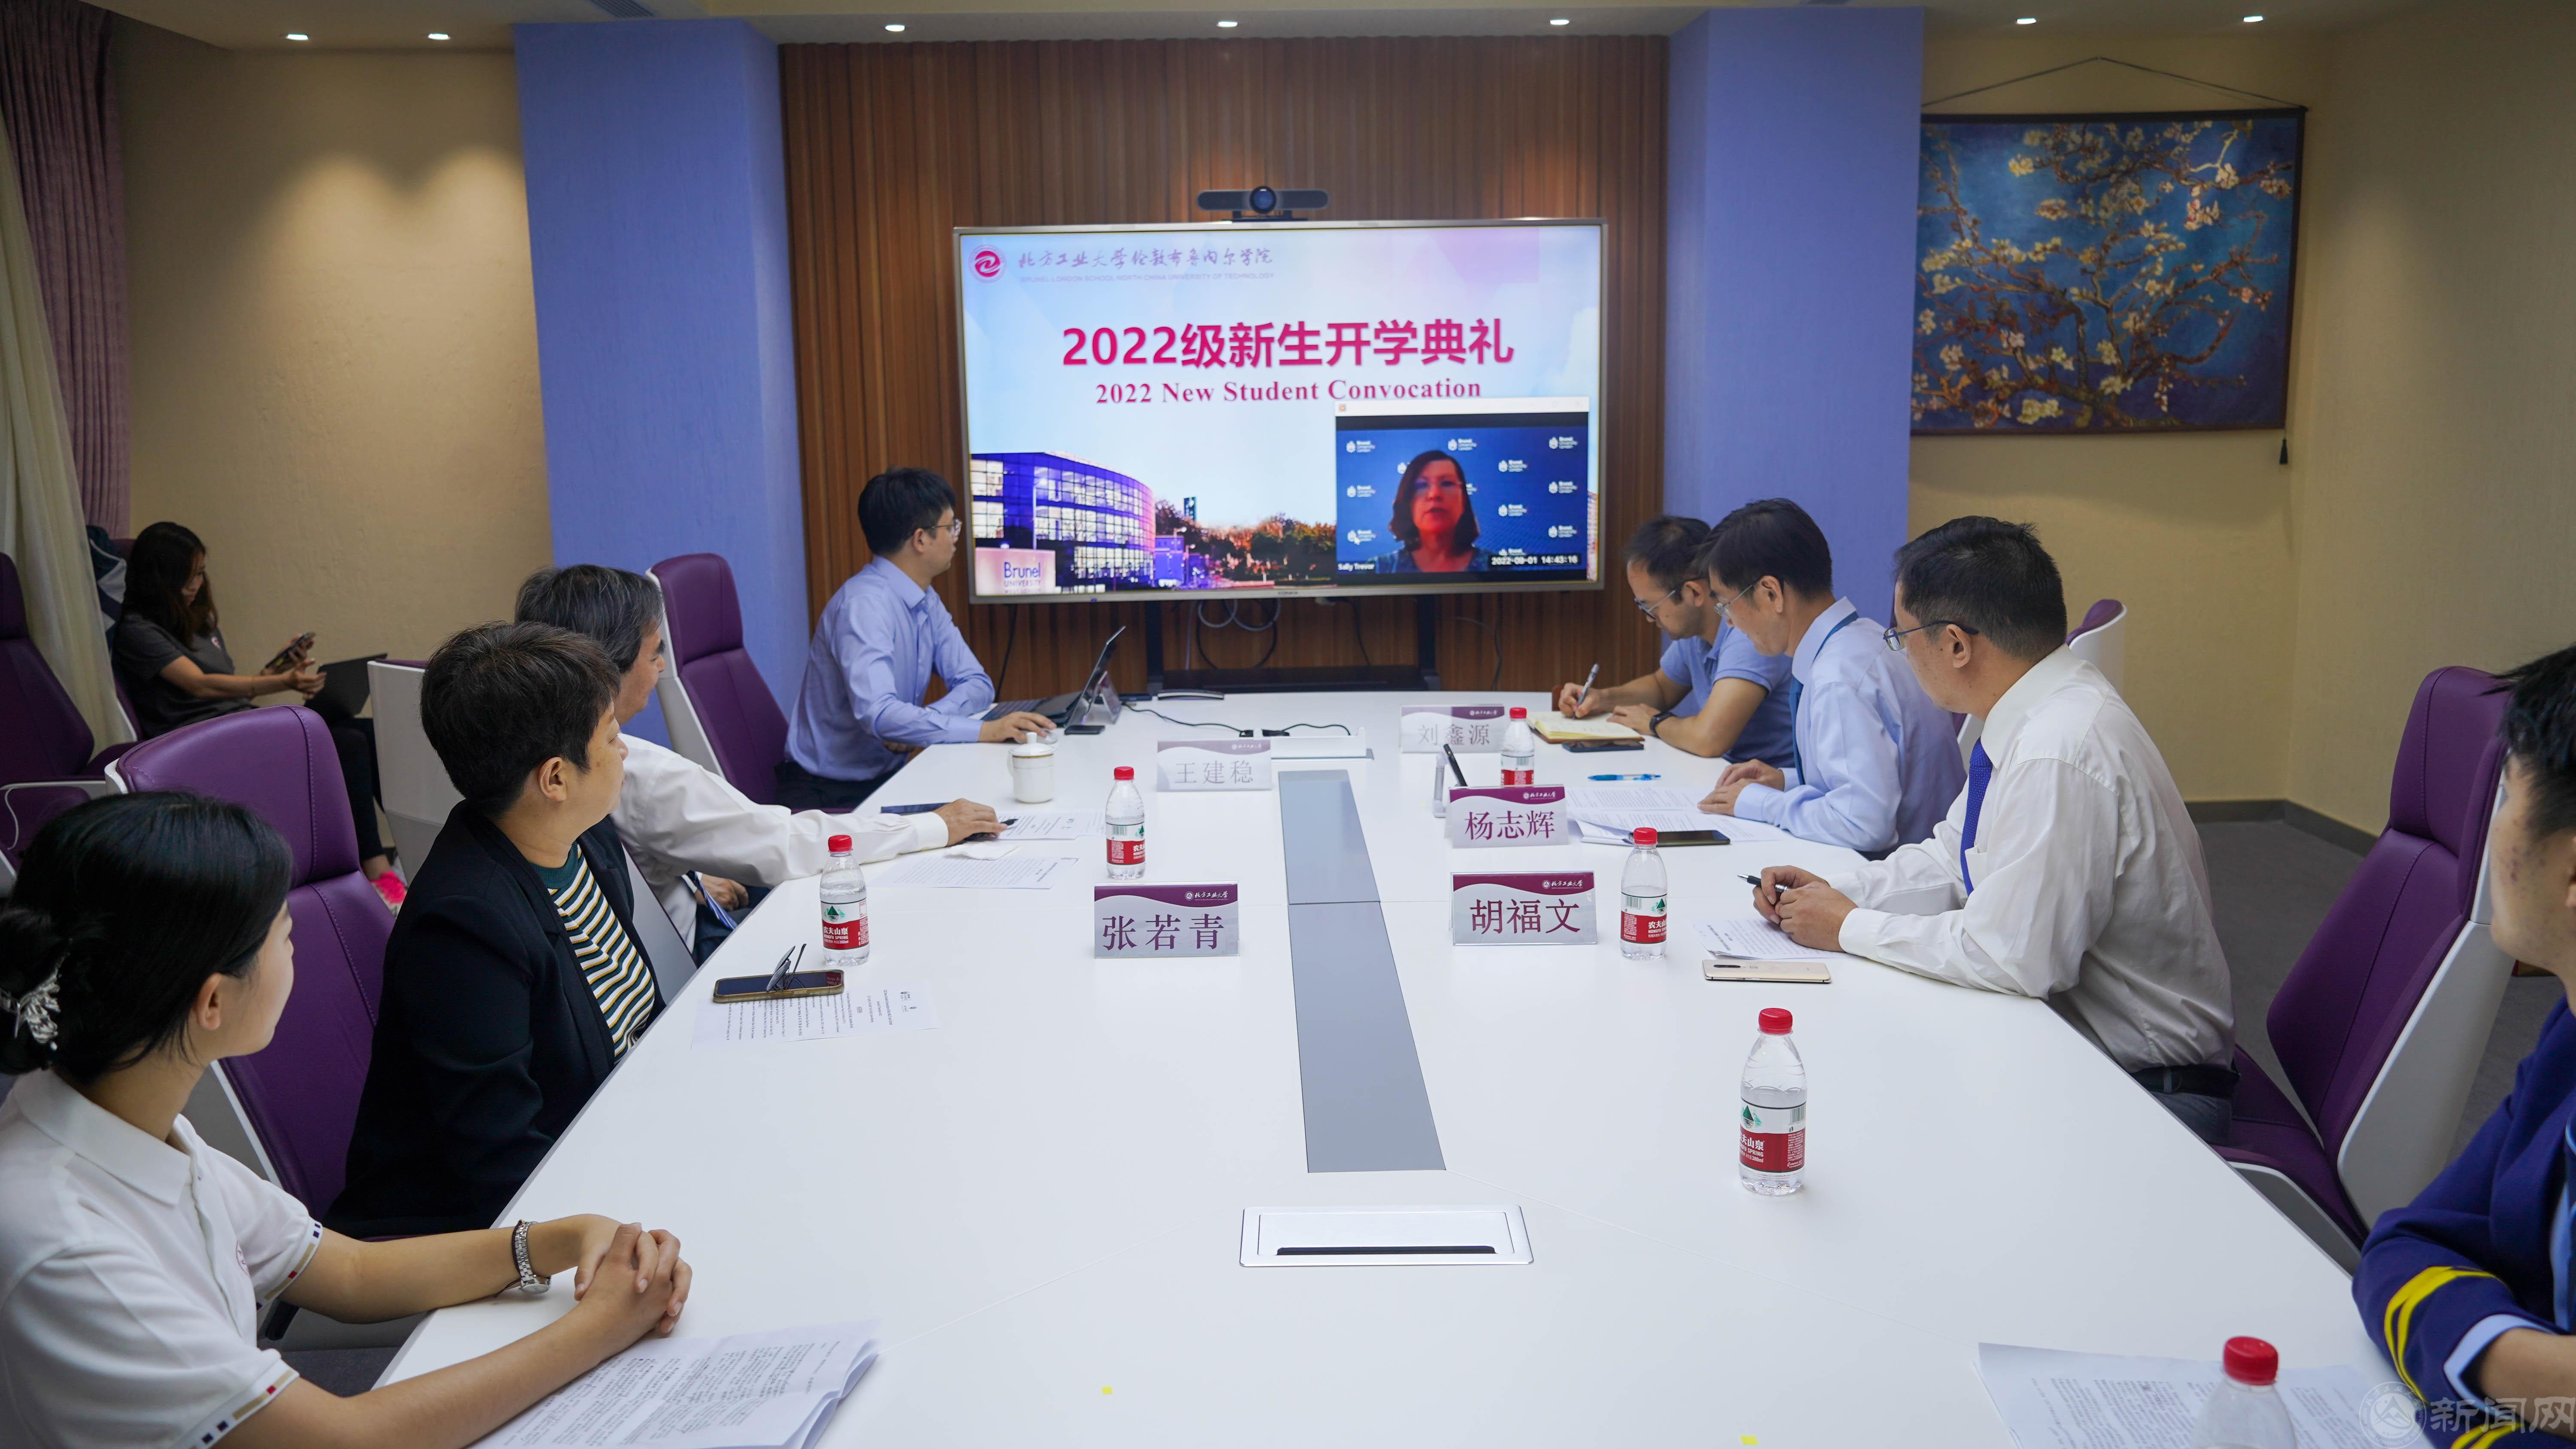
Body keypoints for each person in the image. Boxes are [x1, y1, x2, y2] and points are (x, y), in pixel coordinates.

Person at [0, 791, 691, 1449]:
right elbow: (349, 1438)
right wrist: (602, 1325)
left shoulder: (122, 1122)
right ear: (212, 1003)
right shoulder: (68, 1246)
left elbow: (353, 1270)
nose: (295, 945)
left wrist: (564, 1239)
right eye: (283, 932)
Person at [1750, 516, 2236, 1140]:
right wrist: (1838, 891)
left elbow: (2011, 957)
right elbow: (1952, 857)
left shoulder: (2059, 749)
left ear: (1956, 644)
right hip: (2080, 1045)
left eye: (1902, 637)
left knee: (1886, 1117)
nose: (1900, 653)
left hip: (2152, 1091)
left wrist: (1848, 927)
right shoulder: (2034, 713)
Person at [330, 622, 659, 1237]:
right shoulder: (464, 927)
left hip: (613, 1151)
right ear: (556, 778)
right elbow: (503, 1161)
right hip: (489, 1230)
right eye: (612, 736)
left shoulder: (584, 839)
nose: (625, 752)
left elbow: (639, 1022)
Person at [516, 564, 1000, 955]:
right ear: (605, 667)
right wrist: (933, 825)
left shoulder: (526, 753)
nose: (661, 666)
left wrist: (687, 879)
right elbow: (785, 843)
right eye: (654, 653)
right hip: (690, 962)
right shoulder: (636, 770)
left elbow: (635, 849)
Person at [2354, 645, 2576, 1448]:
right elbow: (2410, 1242)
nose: (2488, 829)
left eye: (2507, 793)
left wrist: (2464, 1400)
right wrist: (2528, 1370)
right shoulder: (2568, 1041)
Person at [111, 522, 401, 906]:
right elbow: (200, 686)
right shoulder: (137, 631)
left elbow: (229, 687)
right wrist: (282, 682)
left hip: (232, 720)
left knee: (366, 732)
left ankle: (401, 854)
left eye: (200, 572)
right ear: (160, 576)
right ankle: (377, 870)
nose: (197, 583)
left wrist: (278, 669)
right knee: (346, 743)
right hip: (198, 738)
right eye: (189, 574)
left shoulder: (196, 622)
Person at [1693, 499, 1963, 854]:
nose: (1729, 622)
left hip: (1897, 872)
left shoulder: (1837, 679)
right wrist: (1787, 781)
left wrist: (1760, 803)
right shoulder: (1865, 638)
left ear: (1771, 593)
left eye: (1726, 604)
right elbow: (1879, 777)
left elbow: (1863, 824)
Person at [782, 468, 1055, 810]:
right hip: (829, 797)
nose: (956, 538)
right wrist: (983, 731)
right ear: (921, 539)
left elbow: (977, 683)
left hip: (887, 778)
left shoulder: (924, 598)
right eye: (951, 527)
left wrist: (917, 722)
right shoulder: (864, 605)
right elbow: (880, 715)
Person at [1552, 514, 1795, 764]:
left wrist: (1654, 722)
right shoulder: (1695, 631)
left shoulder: (1748, 634)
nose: (1649, 619)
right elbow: (1662, 688)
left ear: (1693, 593)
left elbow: (1709, 739)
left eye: (1651, 607)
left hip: (1774, 783)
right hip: (1728, 774)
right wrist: (1602, 699)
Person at [1367, 450, 1492, 574]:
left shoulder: (1496, 567)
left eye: (1447, 483)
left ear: (1464, 499)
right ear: (1408, 502)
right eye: (1422, 485)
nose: (1434, 494)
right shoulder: (1379, 569)